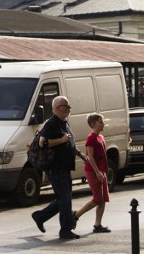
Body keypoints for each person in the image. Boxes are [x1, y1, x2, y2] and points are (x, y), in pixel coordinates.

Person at [31, 96, 87, 240]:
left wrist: (80, 155)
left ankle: (40, 216)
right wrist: (61, 140)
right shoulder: (52, 123)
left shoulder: (63, 123)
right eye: (66, 105)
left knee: (64, 199)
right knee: (65, 199)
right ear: (57, 108)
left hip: (64, 167)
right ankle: (65, 230)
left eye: (69, 106)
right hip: (56, 168)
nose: (69, 108)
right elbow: (42, 142)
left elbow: (69, 143)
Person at [72, 113, 111, 233]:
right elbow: (90, 157)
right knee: (97, 199)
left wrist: (104, 170)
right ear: (93, 124)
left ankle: (97, 225)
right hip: (93, 171)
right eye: (100, 122)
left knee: (103, 199)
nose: (103, 124)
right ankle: (76, 215)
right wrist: (98, 172)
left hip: (101, 171)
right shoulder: (91, 138)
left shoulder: (101, 137)